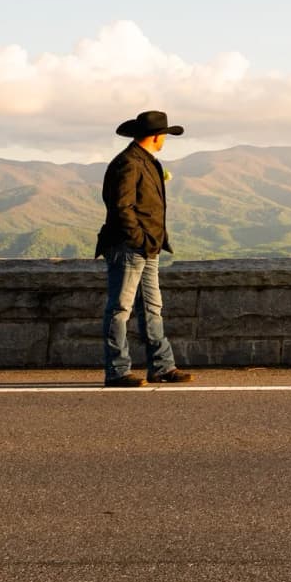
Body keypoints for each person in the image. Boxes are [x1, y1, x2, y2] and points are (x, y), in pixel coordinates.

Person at [95, 110, 195, 387]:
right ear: (155, 136)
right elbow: (121, 207)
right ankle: (117, 371)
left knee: (152, 307)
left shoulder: (148, 161)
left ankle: (162, 367)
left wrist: (150, 242)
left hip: (148, 247)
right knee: (120, 309)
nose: (164, 140)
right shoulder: (128, 163)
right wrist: (139, 238)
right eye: (164, 136)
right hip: (129, 246)